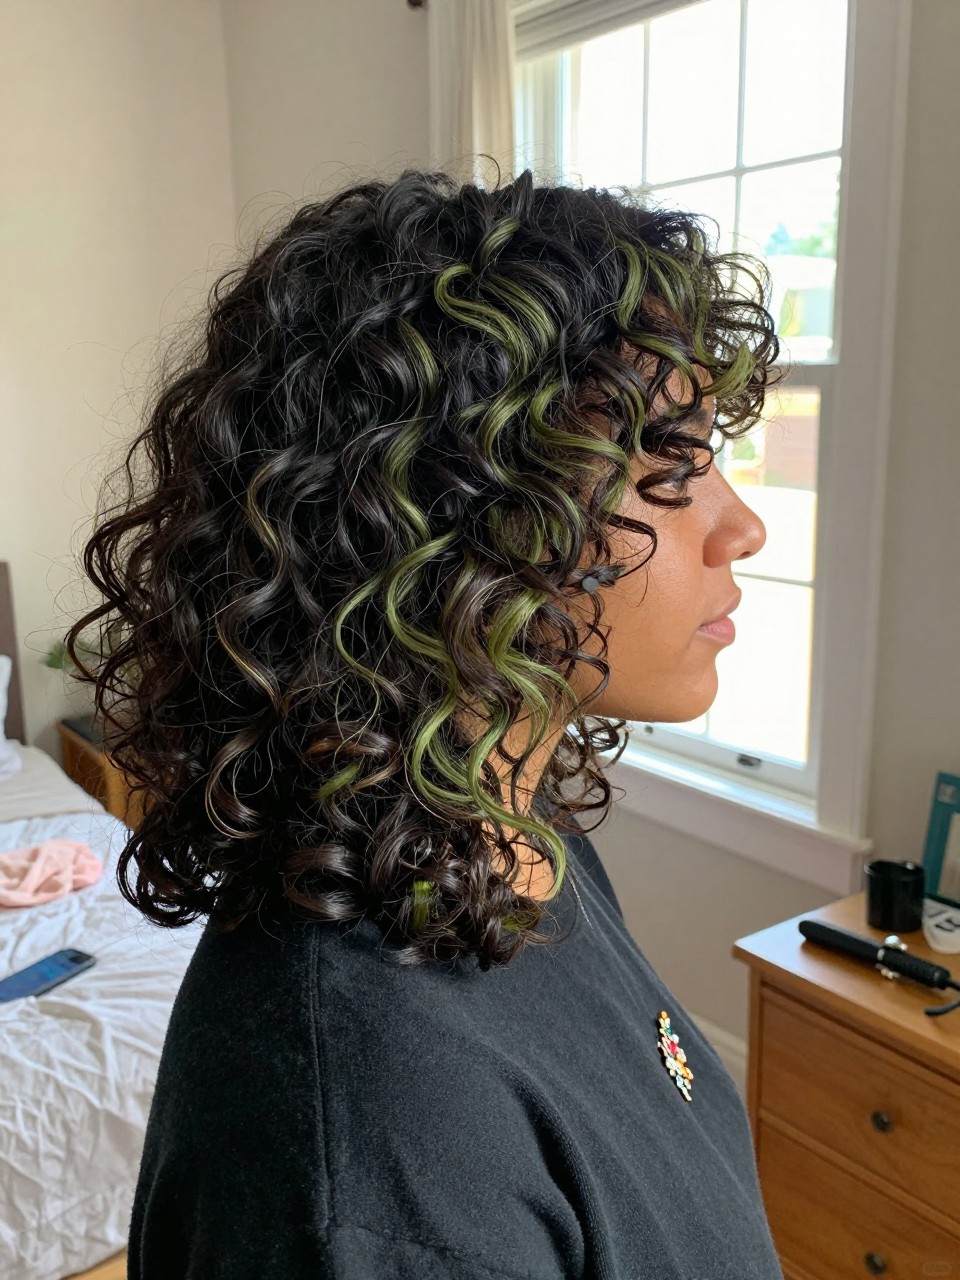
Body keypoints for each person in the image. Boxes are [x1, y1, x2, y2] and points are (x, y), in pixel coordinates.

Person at [66, 164, 786, 1278]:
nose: (743, 527)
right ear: (460, 513)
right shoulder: (373, 1138)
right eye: (669, 465)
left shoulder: (508, 823)